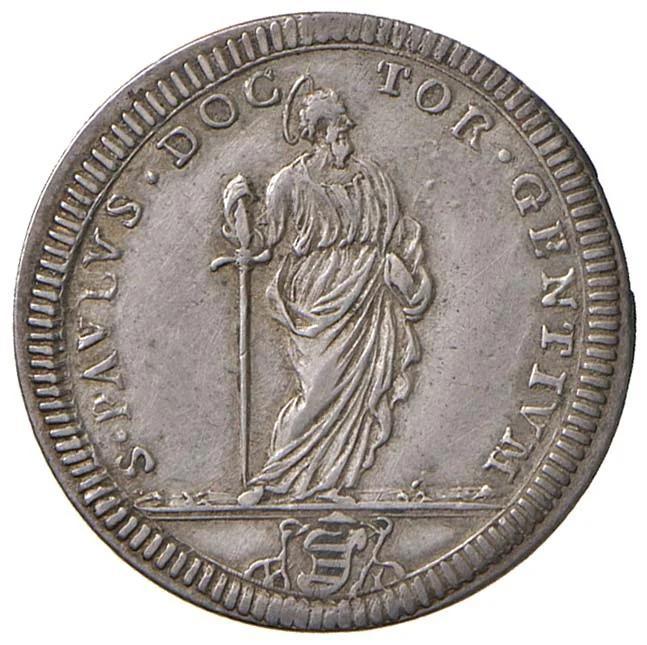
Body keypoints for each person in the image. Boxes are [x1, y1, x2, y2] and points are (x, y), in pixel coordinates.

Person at [233, 86, 432, 506]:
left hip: (368, 293)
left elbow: (395, 233)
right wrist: (238, 212)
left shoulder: (372, 177)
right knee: (317, 392)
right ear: (320, 132)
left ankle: (330, 484)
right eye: (341, 126)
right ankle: (272, 479)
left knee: (360, 395)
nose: (349, 132)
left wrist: (399, 272)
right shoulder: (288, 183)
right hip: (316, 296)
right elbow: (264, 243)